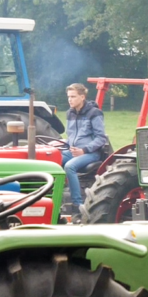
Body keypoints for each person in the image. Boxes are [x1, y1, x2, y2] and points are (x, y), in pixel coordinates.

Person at [62, 83, 110, 211]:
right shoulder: (70, 113)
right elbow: (71, 136)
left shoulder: (94, 113)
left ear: (82, 97)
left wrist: (83, 150)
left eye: (73, 96)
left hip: (90, 153)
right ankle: (58, 198)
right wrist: (61, 143)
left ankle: (77, 204)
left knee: (69, 166)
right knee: (53, 159)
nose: (70, 100)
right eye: (68, 97)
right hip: (73, 151)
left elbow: (101, 138)